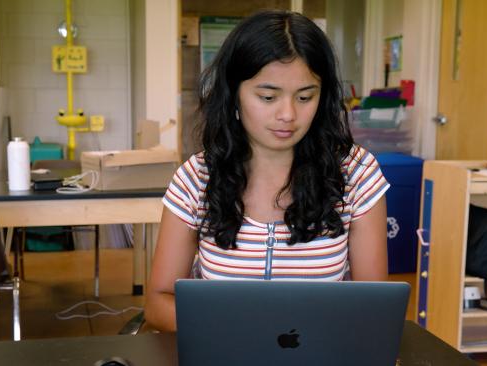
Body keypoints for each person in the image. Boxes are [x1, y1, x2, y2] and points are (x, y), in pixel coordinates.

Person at [146, 10, 389, 332]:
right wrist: (242, 330)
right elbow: (158, 301)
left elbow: (374, 307)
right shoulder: (197, 177)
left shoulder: (356, 173)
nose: (288, 114)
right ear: (234, 94)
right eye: (268, 96)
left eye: (305, 97)